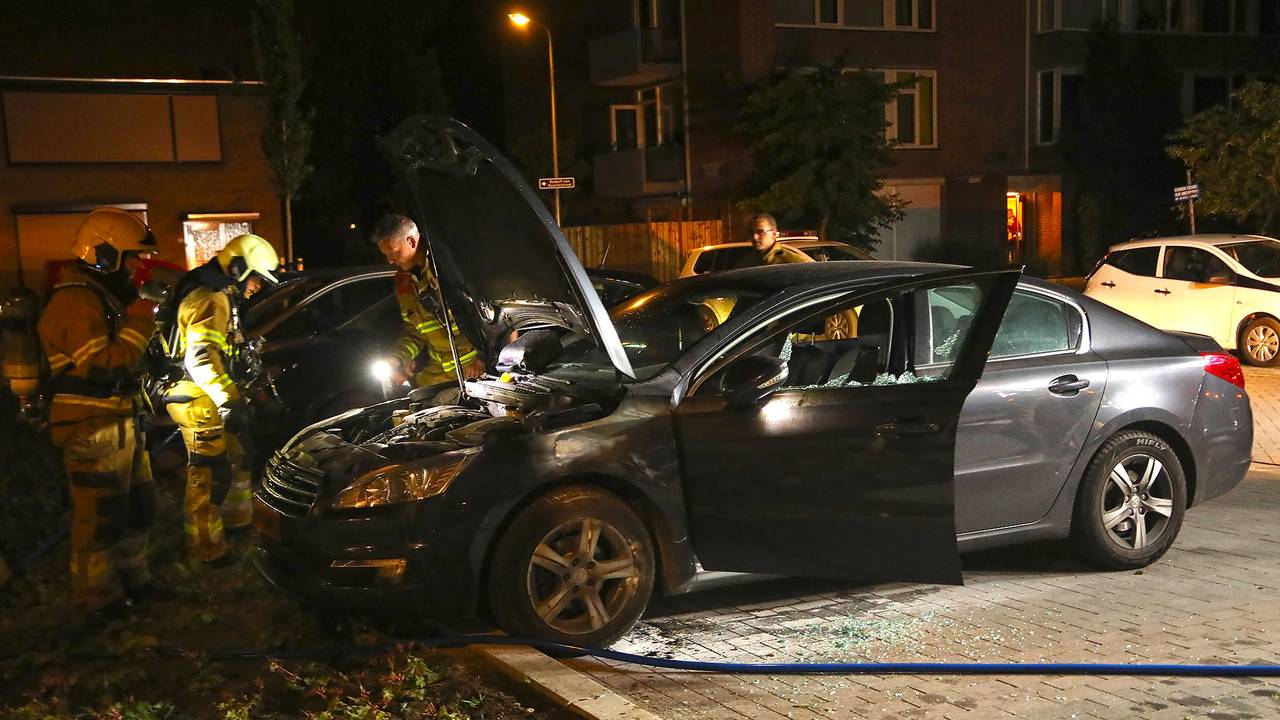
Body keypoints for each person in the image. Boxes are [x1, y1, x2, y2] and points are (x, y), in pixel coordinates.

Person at [37, 208, 162, 616]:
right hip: (92, 427)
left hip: (120, 422)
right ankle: (98, 601)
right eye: (131, 257)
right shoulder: (73, 301)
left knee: (140, 507)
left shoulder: (103, 297)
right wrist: (141, 325)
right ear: (103, 255)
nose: (138, 266)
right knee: (101, 519)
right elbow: (107, 363)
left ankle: (134, 582)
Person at [161, 234, 278, 565]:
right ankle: (205, 548)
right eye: (256, 279)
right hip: (198, 396)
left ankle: (236, 523)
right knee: (208, 472)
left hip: (209, 392)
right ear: (239, 268)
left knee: (239, 455)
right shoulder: (211, 298)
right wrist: (229, 401)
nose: (256, 288)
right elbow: (201, 359)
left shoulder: (221, 295)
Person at [372, 214, 485, 391]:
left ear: (411, 241)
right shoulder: (403, 283)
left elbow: (487, 317)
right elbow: (414, 330)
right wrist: (396, 358)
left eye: (393, 252)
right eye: (386, 255)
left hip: (473, 373)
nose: (390, 260)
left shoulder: (448, 270)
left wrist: (483, 359)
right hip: (439, 376)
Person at [740, 213, 805, 268]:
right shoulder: (745, 262)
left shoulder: (794, 262)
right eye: (751, 232)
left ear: (773, 234)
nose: (755, 237)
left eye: (760, 232)